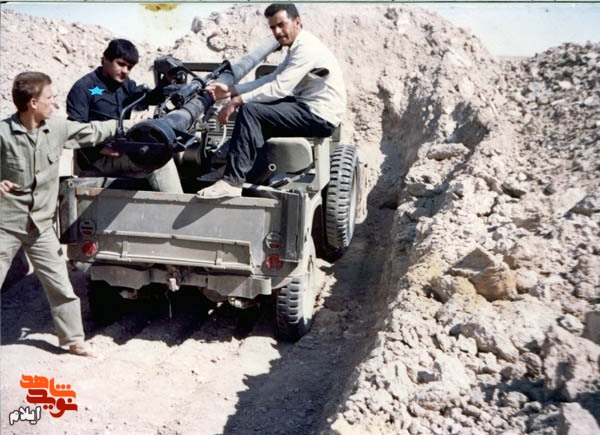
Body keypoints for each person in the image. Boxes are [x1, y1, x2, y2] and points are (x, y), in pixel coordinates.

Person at [0, 71, 130, 357]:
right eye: (50, 97)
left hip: (40, 228)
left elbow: (93, 130)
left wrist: (132, 124)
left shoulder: (57, 128)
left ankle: (74, 340)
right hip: (5, 225)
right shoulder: (3, 134)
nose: (55, 101)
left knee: (61, 285)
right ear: (33, 103)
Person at [197, 3, 346, 199]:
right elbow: (272, 78)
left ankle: (232, 182)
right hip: (310, 107)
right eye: (273, 27)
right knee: (258, 109)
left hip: (320, 115)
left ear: (297, 22)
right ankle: (233, 168)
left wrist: (237, 101)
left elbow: (279, 88)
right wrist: (231, 91)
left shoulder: (306, 48)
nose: (277, 32)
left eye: (281, 25)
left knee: (251, 111)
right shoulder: (296, 47)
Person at [66, 38, 183, 193]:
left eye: (129, 67)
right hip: (97, 160)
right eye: (120, 64)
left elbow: (148, 98)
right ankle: (178, 205)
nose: (125, 71)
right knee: (159, 162)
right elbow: (74, 131)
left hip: (123, 151)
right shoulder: (84, 88)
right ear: (105, 59)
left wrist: (166, 80)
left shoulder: (125, 84)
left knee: (165, 152)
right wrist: (101, 149)